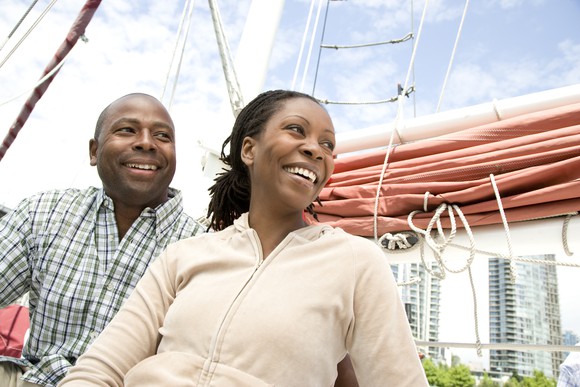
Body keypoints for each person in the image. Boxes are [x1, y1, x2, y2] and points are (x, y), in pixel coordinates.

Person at [59, 89, 429, 386]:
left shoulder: (355, 261)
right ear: (249, 149)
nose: (316, 149)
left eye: (328, 145)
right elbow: (101, 368)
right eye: (297, 130)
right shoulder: (183, 255)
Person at [0, 93, 203, 387]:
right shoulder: (44, 213)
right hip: (33, 378)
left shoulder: (200, 248)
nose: (147, 142)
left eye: (162, 135)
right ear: (94, 152)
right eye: (127, 130)